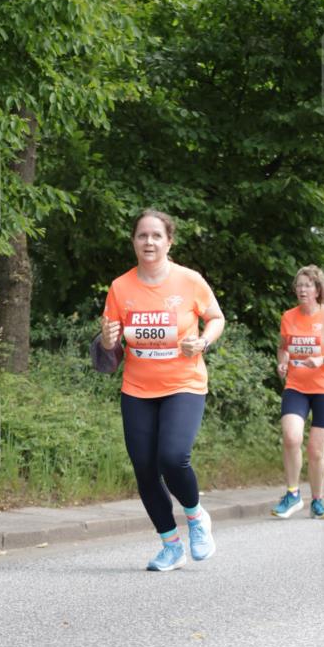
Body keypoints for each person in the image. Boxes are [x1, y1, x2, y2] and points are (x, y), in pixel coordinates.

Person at [99, 209, 225, 572]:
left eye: (156, 236)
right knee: (144, 468)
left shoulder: (189, 281)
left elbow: (215, 318)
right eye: (142, 236)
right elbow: (111, 338)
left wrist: (201, 341)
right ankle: (170, 544)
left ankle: (196, 516)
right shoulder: (121, 287)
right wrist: (108, 338)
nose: (149, 242)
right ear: (134, 242)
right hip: (137, 388)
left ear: (169, 241)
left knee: (172, 457)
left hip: (183, 384)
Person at [272, 265, 324, 520]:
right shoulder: (288, 316)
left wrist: (323, 360)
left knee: (316, 450)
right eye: (299, 285)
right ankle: (293, 494)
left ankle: (317, 500)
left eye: (308, 285)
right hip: (296, 386)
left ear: (318, 290)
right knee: (291, 437)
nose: (302, 289)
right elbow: (284, 347)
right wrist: (282, 362)